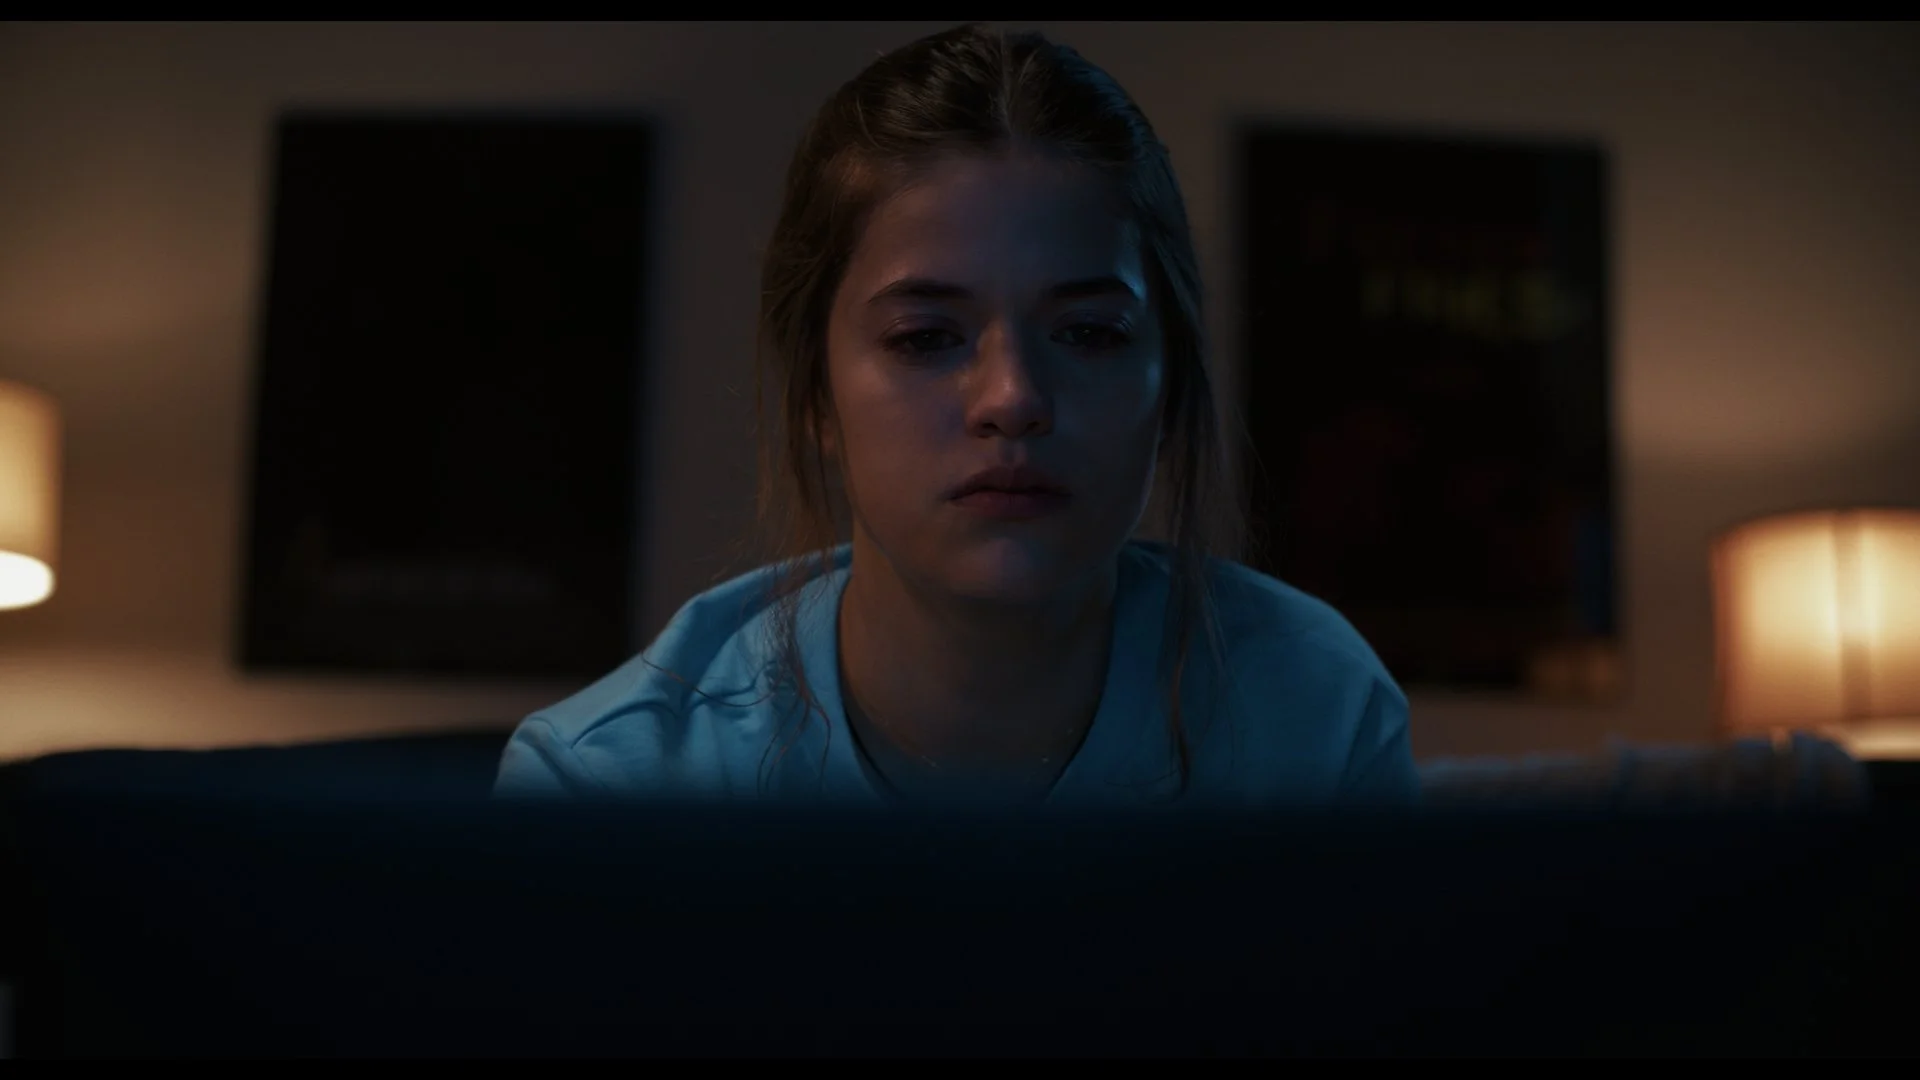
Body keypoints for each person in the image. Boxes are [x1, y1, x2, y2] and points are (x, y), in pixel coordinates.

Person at [494, 23, 1417, 809]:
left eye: (1090, 332)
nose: (1013, 399)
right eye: (927, 337)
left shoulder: (1312, 715)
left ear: (1169, 384)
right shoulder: (612, 789)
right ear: (816, 397)